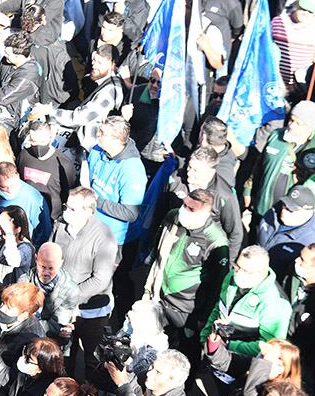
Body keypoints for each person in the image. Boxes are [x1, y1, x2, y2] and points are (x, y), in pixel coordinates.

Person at [51, 187, 119, 378]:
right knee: (64, 353)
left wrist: (69, 297)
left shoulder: (104, 237)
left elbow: (100, 279)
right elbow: (51, 254)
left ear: (89, 211)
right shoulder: (61, 225)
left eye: (73, 209)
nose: (66, 212)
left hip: (91, 310)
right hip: (62, 304)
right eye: (66, 207)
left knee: (92, 356)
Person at [143, 190, 230, 335]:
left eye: (191, 209)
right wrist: (148, 288)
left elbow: (219, 284)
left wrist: (204, 317)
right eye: (184, 204)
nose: (184, 210)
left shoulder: (216, 241)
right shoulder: (173, 217)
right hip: (158, 295)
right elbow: (156, 251)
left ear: (205, 213)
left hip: (185, 309)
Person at [202, 246, 292, 364]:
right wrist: (205, 335)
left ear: (262, 272)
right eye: (237, 266)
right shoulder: (232, 277)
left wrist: (229, 345)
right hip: (218, 349)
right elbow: (219, 307)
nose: (238, 272)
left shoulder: (275, 303)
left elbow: (270, 346)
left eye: (245, 270)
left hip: (244, 362)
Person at [82, 116, 147, 247]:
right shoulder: (97, 150)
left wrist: (96, 201)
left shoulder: (132, 170)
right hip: (90, 227)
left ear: (117, 139)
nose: (98, 135)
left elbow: (130, 213)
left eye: (103, 133)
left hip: (113, 239)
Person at [256, 184, 315, 276]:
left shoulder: (312, 243)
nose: (283, 211)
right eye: (284, 205)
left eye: (291, 210)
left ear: (308, 212)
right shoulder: (275, 210)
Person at [0, 162, 51, 248]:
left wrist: (33, 252)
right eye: (3, 187)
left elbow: (43, 231)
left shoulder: (34, 198)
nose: (9, 190)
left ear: (18, 177)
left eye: (12, 185)